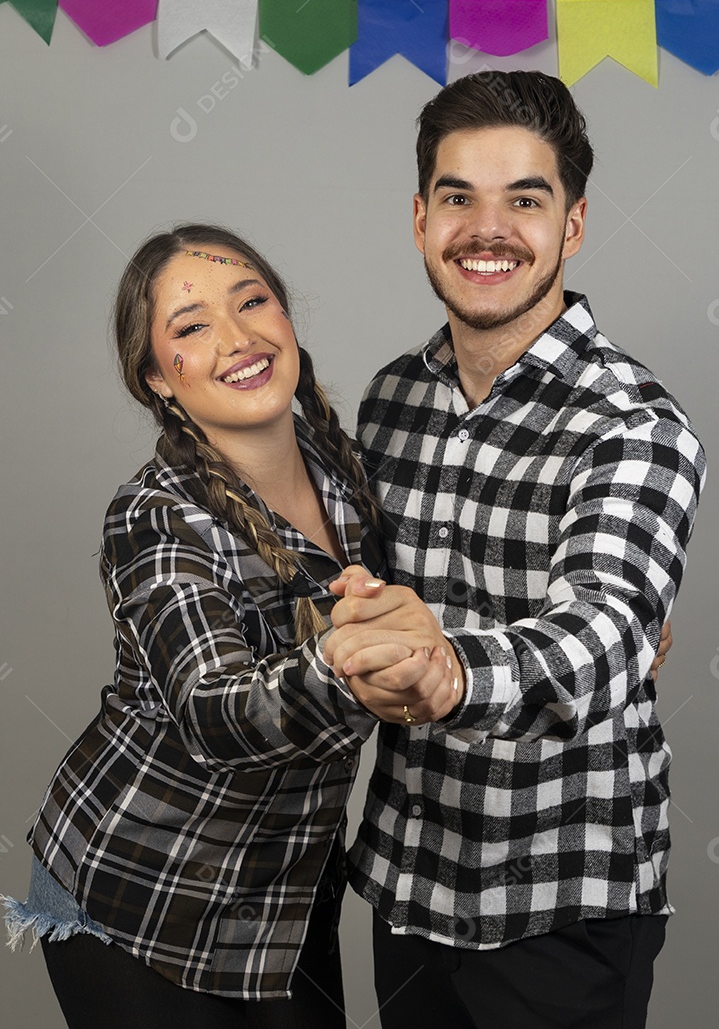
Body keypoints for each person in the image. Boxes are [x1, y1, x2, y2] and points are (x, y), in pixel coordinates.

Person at [2, 223, 459, 1029]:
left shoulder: (345, 474)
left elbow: (438, 597)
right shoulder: (155, 517)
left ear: (287, 319)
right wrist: (342, 660)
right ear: (157, 381)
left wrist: (606, 627)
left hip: (280, 894)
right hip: (142, 897)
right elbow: (216, 712)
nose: (238, 338)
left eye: (253, 301)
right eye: (191, 327)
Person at [323, 71, 705, 1029]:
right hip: (409, 876)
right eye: (458, 197)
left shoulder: (634, 423)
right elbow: (355, 583)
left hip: (558, 896)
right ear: (420, 218)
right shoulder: (392, 400)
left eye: (523, 200)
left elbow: (606, 628)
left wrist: (451, 672)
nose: (485, 230)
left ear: (570, 226)